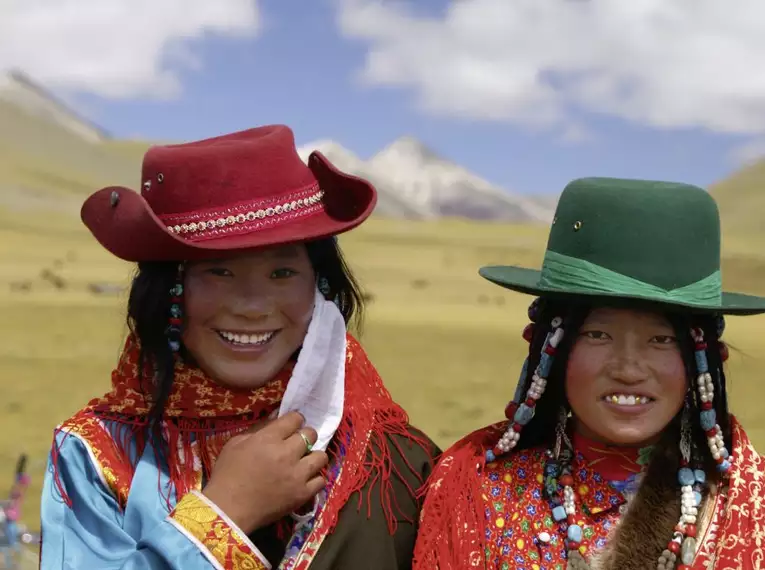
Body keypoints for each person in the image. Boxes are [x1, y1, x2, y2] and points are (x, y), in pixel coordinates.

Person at [40, 125, 440, 570]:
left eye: (282, 273)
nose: (252, 306)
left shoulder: (398, 464)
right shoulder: (95, 454)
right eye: (219, 272)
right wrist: (225, 513)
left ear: (320, 289)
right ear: (171, 291)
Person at [413, 177, 765, 570]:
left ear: (701, 357)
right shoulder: (478, 488)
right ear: (554, 347)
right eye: (598, 335)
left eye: (662, 339)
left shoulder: (749, 503)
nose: (629, 369)